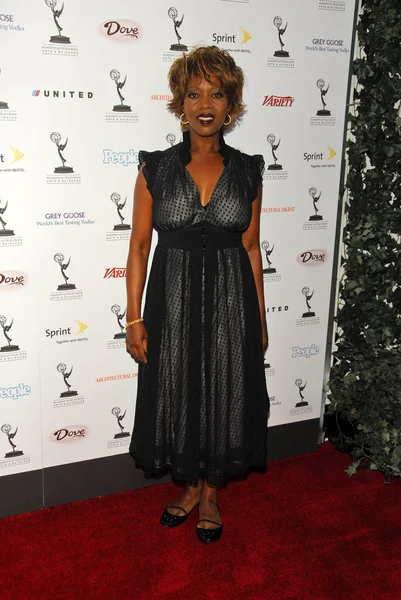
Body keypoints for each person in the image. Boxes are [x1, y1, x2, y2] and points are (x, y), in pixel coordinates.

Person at [126, 46, 269, 543]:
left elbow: (251, 248)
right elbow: (140, 245)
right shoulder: (155, 168)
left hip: (233, 305)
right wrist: (133, 317)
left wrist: (262, 322)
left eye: (217, 92)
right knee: (180, 391)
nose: (205, 103)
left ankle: (210, 493)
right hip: (173, 301)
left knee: (225, 392)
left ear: (231, 104)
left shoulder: (249, 170)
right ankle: (189, 486)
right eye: (194, 93)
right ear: (179, 103)